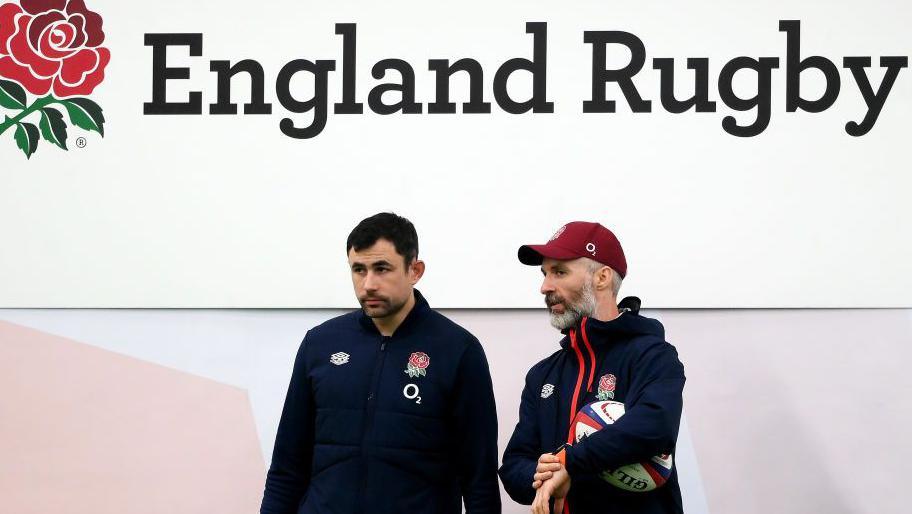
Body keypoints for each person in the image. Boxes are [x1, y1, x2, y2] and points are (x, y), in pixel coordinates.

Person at [261, 212, 501, 514]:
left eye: (382, 269)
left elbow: (479, 481)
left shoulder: (458, 350)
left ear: (415, 270)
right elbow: (286, 466)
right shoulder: (320, 344)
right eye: (358, 270)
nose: (368, 285)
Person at [499, 221, 685, 514]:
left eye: (559, 272)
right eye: (545, 274)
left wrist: (570, 462)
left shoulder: (652, 355)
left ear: (602, 277)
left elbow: (654, 427)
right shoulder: (542, 375)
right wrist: (541, 474)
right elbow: (513, 466)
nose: (545, 287)